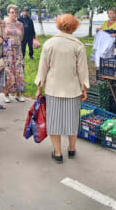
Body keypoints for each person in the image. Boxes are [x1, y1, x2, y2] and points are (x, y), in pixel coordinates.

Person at [35, 14, 89, 164]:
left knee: (54, 122)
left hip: (53, 89)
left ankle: (57, 153)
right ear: (74, 27)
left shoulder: (49, 44)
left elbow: (42, 69)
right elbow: (82, 71)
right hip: (72, 90)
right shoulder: (78, 45)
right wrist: (84, 88)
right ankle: (71, 149)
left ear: (58, 25)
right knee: (72, 122)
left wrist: (39, 88)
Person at [3, 5, 25, 102]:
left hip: (18, 50)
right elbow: (1, 36)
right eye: (12, 12)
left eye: (15, 12)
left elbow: (22, 36)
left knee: (19, 71)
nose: (14, 14)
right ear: (8, 13)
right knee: (8, 71)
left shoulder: (20, 24)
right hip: (7, 50)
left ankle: (18, 93)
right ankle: (6, 94)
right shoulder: (4, 23)